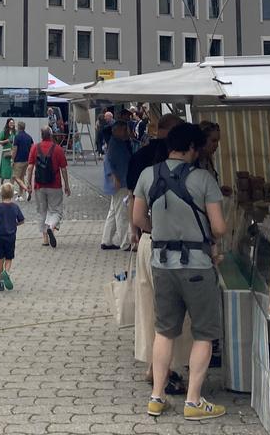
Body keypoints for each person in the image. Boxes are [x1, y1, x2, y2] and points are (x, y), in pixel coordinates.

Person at [132, 122, 227, 421]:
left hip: (161, 262)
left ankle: (156, 397)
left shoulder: (148, 175)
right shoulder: (204, 179)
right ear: (193, 148)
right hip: (197, 266)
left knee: (164, 330)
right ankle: (193, 401)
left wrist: (160, 230)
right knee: (203, 333)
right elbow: (219, 228)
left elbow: (137, 218)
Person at [128, 113, 189, 389]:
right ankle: (168, 369)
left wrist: (142, 228)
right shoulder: (185, 167)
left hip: (147, 241)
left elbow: (134, 205)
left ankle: (155, 366)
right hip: (171, 246)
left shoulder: (142, 159)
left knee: (150, 306)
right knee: (172, 311)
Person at [28, 125, 70, 248]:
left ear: (42, 136)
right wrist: (66, 185)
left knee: (42, 211)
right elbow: (63, 169)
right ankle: (51, 227)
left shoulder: (35, 147)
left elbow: (30, 167)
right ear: (51, 135)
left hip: (39, 185)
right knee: (56, 210)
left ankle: (45, 239)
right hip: (55, 185)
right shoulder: (58, 149)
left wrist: (28, 183)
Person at [102, 121, 138, 250]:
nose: (126, 132)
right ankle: (125, 243)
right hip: (120, 182)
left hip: (120, 181)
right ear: (116, 130)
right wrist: (114, 177)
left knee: (113, 211)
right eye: (124, 130)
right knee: (121, 213)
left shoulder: (118, 143)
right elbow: (108, 162)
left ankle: (106, 240)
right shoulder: (115, 144)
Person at [0, 183, 24, 291]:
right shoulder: (15, 207)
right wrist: (15, 224)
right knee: (9, 258)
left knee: (0, 259)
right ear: (12, 195)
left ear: (1, 194)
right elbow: (21, 220)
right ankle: (7, 272)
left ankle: (0, 282)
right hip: (11, 237)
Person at [11, 121, 34, 200]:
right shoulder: (29, 137)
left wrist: (12, 160)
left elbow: (15, 149)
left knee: (15, 177)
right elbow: (32, 148)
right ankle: (20, 195)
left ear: (18, 127)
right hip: (27, 160)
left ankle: (27, 190)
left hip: (18, 160)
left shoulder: (17, 137)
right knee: (21, 177)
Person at [0, 118, 15, 185]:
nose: (12, 124)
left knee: (12, 169)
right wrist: (6, 141)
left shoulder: (15, 132)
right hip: (6, 152)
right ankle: (2, 184)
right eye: (10, 123)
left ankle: (11, 186)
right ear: (8, 124)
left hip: (13, 152)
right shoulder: (4, 132)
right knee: (4, 168)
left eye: (13, 123)